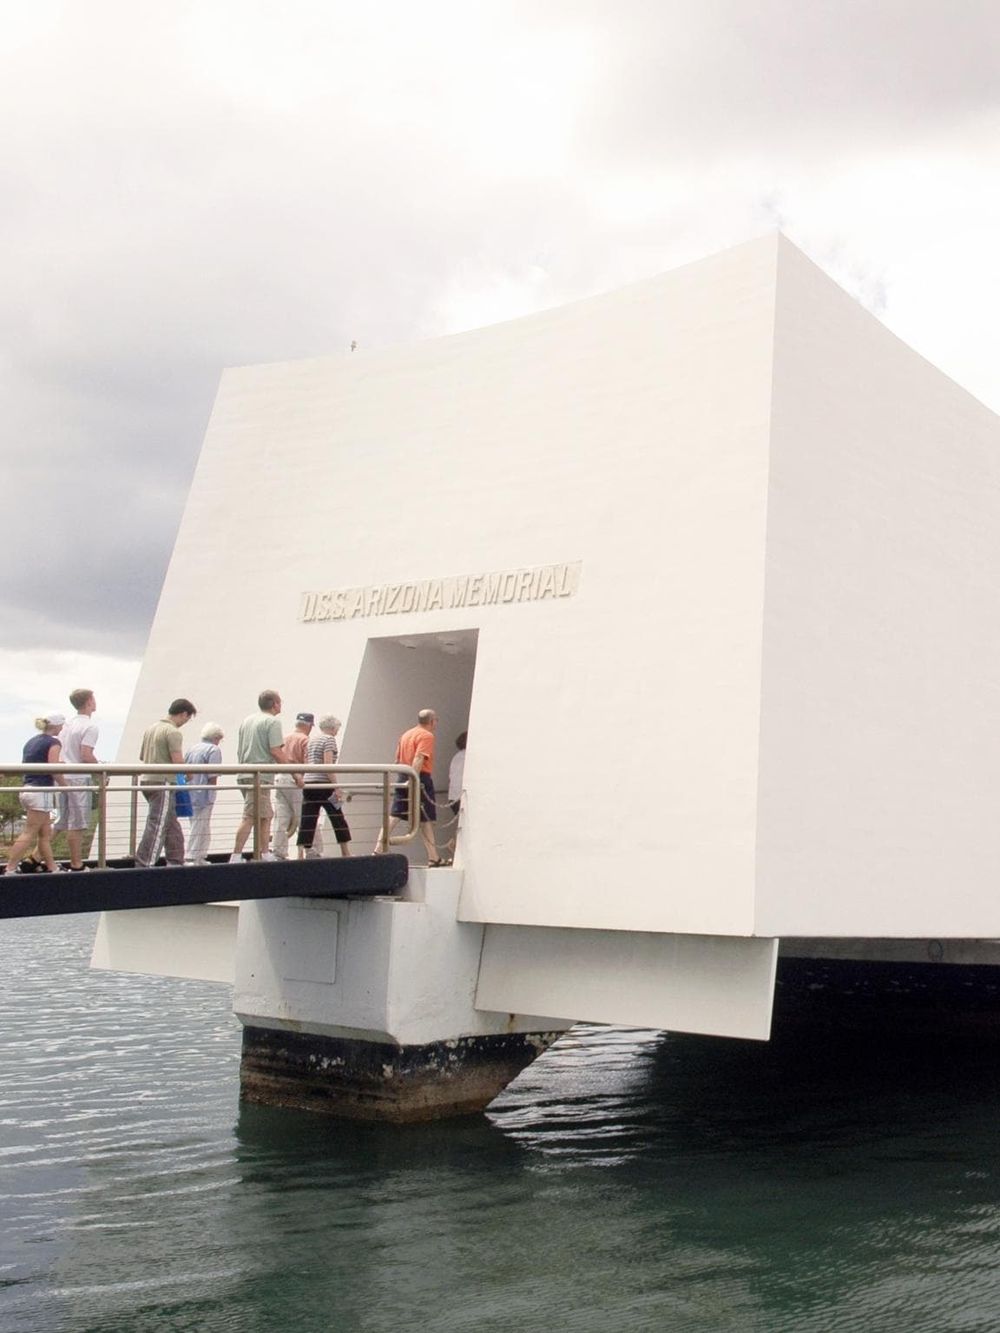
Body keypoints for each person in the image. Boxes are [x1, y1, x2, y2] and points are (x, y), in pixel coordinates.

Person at [374, 708, 442, 865]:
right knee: (425, 817)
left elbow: (397, 759)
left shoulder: (406, 734)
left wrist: (404, 778)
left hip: (402, 774)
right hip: (418, 777)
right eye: (436, 720)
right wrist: (413, 778)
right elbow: (419, 758)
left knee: (395, 813)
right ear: (432, 721)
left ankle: (378, 848)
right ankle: (433, 857)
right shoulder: (427, 736)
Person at [136, 699, 197, 868]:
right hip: (162, 782)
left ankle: (176, 859)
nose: (185, 722)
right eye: (187, 718)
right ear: (183, 713)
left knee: (170, 821)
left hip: (147, 780)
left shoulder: (151, 728)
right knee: (158, 823)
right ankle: (144, 863)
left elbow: (142, 756)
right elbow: (177, 759)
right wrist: (188, 773)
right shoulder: (172, 732)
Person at [4, 713, 68, 875]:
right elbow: (54, 769)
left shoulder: (32, 741)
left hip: (28, 788)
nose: (62, 728)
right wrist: (65, 786)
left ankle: (52, 867)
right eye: (62, 725)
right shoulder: (54, 742)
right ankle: (10, 868)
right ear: (56, 726)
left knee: (44, 834)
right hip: (41, 791)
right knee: (30, 832)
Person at [231, 689, 286, 861]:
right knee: (250, 816)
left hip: (245, 773)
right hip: (260, 776)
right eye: (280, 702)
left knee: (265, 815)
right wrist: (294, 771)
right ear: (274, 704)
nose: (281, 705)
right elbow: (275, 751)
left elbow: (240, 749)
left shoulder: (247, 721)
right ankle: (236, 855)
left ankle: (264, 852)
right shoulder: (272, 722)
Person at [54, 688, 99, 872]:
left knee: (61, 821)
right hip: (79, 778)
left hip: (63, 776)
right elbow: (86, 755)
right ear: (88, 702)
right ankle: (76, 864)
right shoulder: (90, 726)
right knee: (78, 823)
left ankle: (35, 857)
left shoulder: (67, 726)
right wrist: (101, 770)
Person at [296, 715, 352, 858]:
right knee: (337, 816)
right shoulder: (329, 740)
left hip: (309, 783)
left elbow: (308, 760)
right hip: (324, 785)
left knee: (308, 818)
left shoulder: (312, 740)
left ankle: (300, 853)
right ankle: (345, 851)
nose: (338, 731)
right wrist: (336, 787)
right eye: (337, 728)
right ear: (333, 728)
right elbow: (328, 765)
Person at [273, 712, 314, 860]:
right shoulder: (305, 740)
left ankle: (279, 852)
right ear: (309, 726)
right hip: (296, 780)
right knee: (303, 816)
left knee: (281, 817)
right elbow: (307, 764)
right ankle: (310, 851)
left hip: (280, 778)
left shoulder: (285, 738)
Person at [184, 723, 224, 863]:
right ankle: (193, 855)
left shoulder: (192, 749)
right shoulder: (213, 750)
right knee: (201, 825)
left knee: (197, 824)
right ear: (216, 737)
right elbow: (212, 776)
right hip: (204, 793)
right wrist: (212, 794)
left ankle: (199, 856)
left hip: (190, 791)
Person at [442, 730, 467, 864]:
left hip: (452, 797)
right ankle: (455, 845)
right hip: (461, 796)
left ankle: (455, 845)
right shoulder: (468, 757)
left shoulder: (456, 757)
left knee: (462, 824)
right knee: (465, 825)